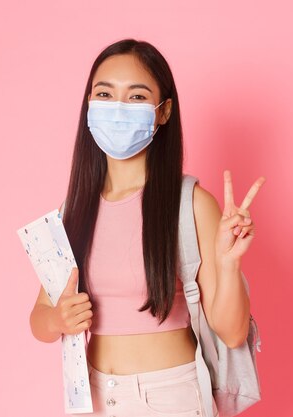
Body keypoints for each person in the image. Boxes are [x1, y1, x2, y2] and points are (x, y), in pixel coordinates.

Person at [29, 38, 265, 417]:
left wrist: (229, 263)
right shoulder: (72, 210)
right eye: (104, 93)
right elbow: (40, 319)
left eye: (136, 97)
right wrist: (57, 318)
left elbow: (233, 333)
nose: (117, 108)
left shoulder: (189, 203)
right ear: (88, 104)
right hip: (93, 397)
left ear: (163, 111)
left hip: (169, 397)